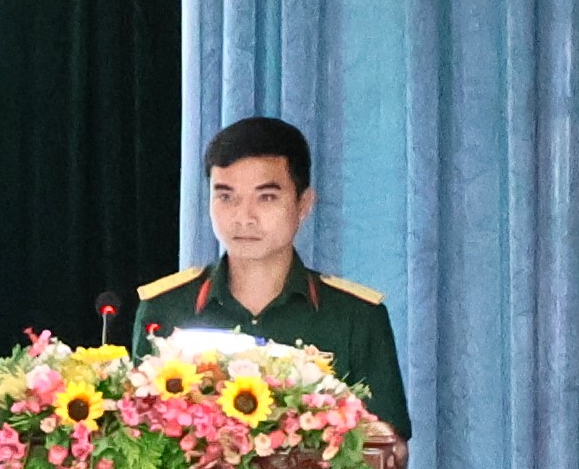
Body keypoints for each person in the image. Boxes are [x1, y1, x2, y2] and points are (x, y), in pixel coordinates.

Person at [130, 115, 410, 443]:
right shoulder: (164, 309)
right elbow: (138, 436)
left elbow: (388, 448)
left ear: (303, 204)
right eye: (226, 196)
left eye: (266, 197)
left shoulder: (356, 317)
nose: (244, 217)